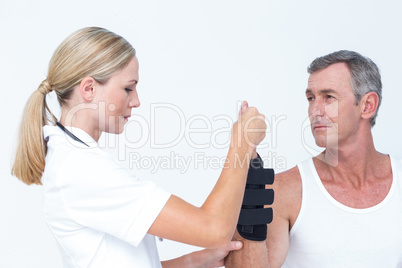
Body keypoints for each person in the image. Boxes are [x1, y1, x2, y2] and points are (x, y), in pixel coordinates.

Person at [11, 27, 267, 268]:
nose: (136, 101)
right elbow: (214, 230)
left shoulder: (74, 160)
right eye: (128, 88)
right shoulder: (82, 169)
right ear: (89, 88)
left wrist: (193, 261)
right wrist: (242, 142)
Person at [225, 50, 402, 267]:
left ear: (367, 106)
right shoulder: (284, 191)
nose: (315, 111)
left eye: (329, 97)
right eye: (311, 98)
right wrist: (249, 173)